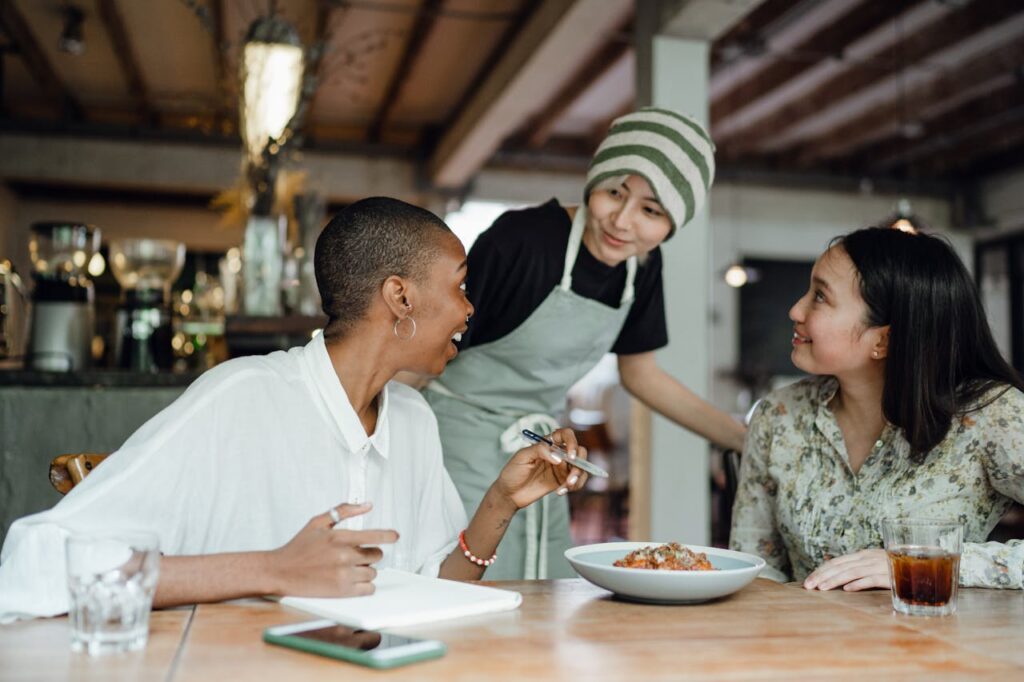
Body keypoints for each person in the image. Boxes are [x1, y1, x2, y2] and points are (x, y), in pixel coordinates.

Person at [0, 197, 590, 622]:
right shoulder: (242, 397)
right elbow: (34, 563)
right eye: (460, 285)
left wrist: (501, 501)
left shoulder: (413, 419)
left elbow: (434, 592)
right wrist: (271, 569)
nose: (469, 309)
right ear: (400, 296)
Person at [423, 108, 747, 580]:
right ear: (594, 181)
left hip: (541, 446)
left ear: (670, 226)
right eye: (615, 192)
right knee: (465, 583)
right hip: (455, 443)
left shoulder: (643, 269)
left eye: (651, 211)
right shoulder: (522, 240)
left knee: (542, 586)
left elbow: (642, 375)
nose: (622, 221)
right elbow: (430, 346)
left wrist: (744, 440)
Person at [730, 226, 1024, 591]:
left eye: (819, 296)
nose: (795, 309)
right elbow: (755, 569)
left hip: (938, 645)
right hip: (804, 643)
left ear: (884, 339)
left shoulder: (989, 415)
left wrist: (924, 565)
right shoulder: (778, 415)